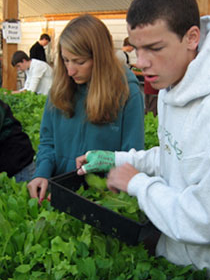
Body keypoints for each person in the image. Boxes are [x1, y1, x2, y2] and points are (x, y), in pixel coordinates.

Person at [76, 0, 210, 276]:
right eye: (137, 49)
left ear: (191, 38)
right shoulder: (173, 85)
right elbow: (174, 154)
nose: (142, 62)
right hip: (172, 255)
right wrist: (118, 160)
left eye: (154, 48)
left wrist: (138, 183)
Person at [27, 14, 145, 202]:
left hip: (102, 200)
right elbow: (48, 142)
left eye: (79, 62)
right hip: (57, 194)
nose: (70, 70)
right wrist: (41, 173)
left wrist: (106, 197)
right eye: (66, 60)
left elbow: (132, 157)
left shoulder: (127, 92)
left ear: (100, 58)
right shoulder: (61, 86)